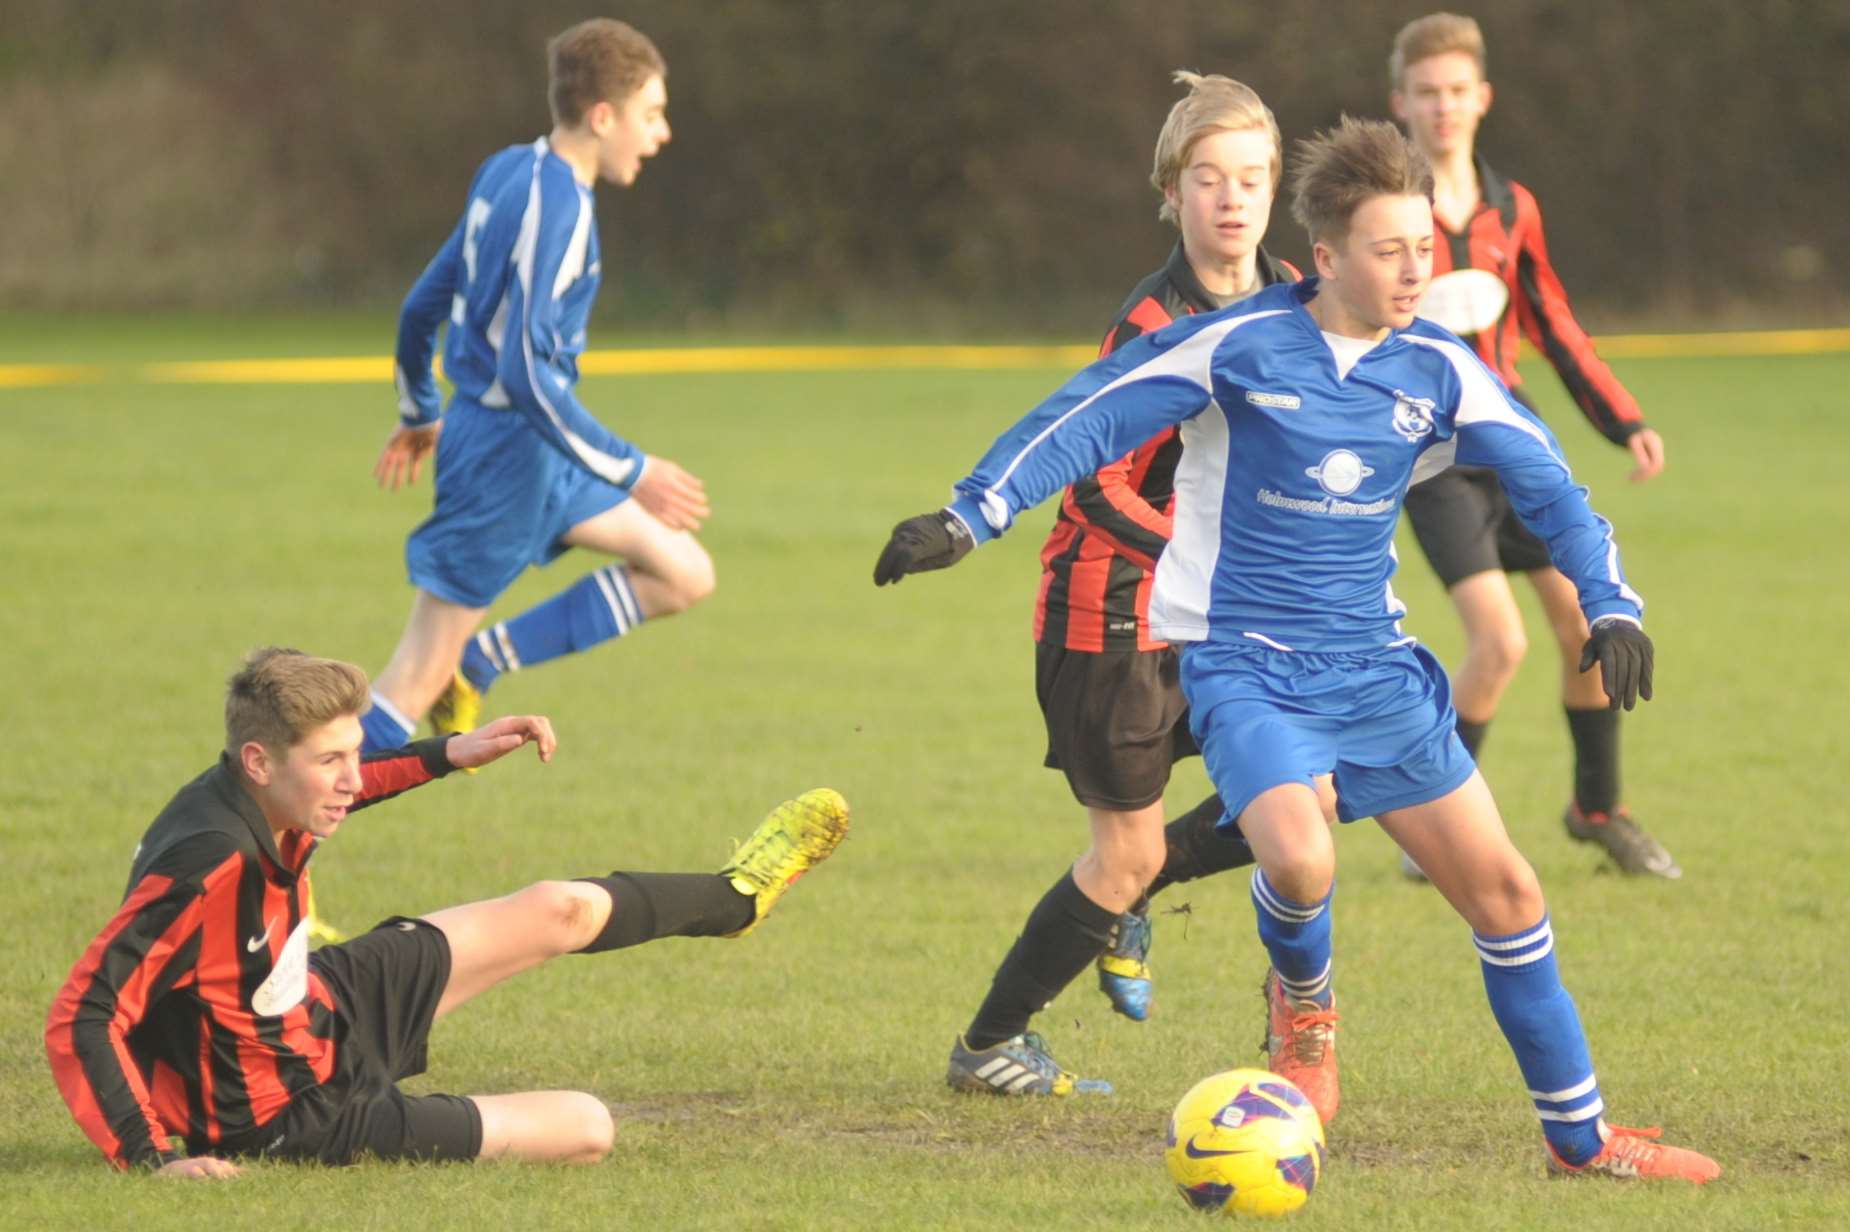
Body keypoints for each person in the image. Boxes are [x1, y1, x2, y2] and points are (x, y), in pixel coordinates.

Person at [875, 116, 1716, 1181]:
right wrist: (969, 514)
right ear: (1324, 256)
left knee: (1507, 896)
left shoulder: (1437, 367)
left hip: (1374, 672)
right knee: (1295, 848)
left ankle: (1579, 1140)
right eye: (1387, 250)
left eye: (1423, 249)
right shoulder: (1240, 342)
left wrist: (1611, 603)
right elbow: (1087, 414)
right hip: (1245, 666)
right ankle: (1303, 1010)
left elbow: (1551, 485)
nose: (1415, 271)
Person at [45, 648, 848, 1176]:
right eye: (332, 761)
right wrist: (152, 1159)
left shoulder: (264, 794)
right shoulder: (207, 858)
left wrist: (447, 753)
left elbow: (352, 785)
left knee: (556, 907)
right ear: (260, 761)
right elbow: (85, 1012)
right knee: (588, 1125)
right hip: (290, 1114)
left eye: (354, 754)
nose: (352, 779)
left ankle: (735, 900)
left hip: (321, 1004)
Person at [946, 72, 1311, 1099]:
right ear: (1169, 193)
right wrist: (1217, 557)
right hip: (1108, 610)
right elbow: (1097, 483)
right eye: (1206, 179)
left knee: (1309, 783)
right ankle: (987, 1043)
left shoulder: (1293, 298)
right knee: (1121, 849)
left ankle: (1142, 887)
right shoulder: (1149, 320)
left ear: (1275, 186)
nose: (1230, 198)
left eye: (1249, 177)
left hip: (1213, 614)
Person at [365, 16, 713, 760]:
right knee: (411, 678)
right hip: (504, 460)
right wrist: (635, 468)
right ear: (602, 117)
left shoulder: (507, 170)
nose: (662, 134)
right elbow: (524, 371)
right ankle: (276, 845)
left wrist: (421, 411)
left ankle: (482, 661)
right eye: (650, 115)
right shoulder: (555, 208)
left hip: (537, 450)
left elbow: (421, 305)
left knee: (684, 572)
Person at [1387, 12, 1675, 879]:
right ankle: (1442, 824)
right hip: (1431, 463)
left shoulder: (1514, 209)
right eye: (1427, 93)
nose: (1444, 108)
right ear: (1400, 103)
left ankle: (1597, 809)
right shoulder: (1386, 209)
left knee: (1584, 623)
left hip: (1513, 447)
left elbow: (1554, 324)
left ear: (1483, 99)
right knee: (1499, 643)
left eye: (1457, 92)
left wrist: (1624, 418)